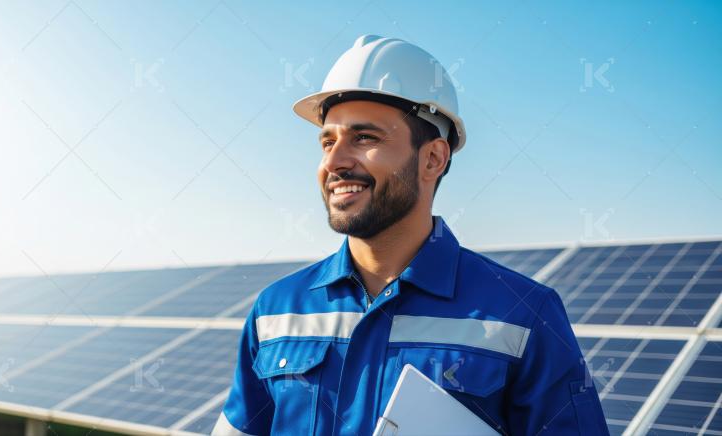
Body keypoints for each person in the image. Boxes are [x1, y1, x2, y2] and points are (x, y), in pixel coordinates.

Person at [211, 35, 608, 436]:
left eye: (364, 138)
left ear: (433, 158)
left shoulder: (525, 314)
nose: (333, 162)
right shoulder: (276, 309)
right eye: (327, 142)